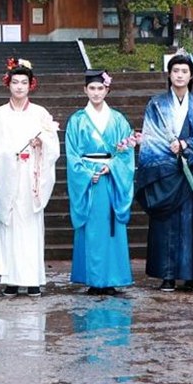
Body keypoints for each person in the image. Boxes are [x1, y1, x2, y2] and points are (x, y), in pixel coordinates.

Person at [136, 53, 193, 294]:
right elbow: (150, 139)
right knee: (167, 224)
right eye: (175, 71)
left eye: (184, 71)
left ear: (191, 75)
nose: (180, 75)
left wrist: (187, 145)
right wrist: (171, 154)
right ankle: (168, 275)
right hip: (167, 174)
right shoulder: (157, 105)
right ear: (169, 75)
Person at [0, 58, 60, 297]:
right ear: (8, 84)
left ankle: (33, 279)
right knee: (9, 226)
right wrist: (9, 155)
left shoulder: (40, 113)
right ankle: (11, 280)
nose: (19, 87)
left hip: (31, 177)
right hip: (8, 176)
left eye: (23, 82)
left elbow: (53, 145)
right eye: (15, 82)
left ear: (31, 85)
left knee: (30, 226)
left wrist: (40, 143)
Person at [65, 69, 138, 296]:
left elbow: (126, 153)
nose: (96, 93)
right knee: (92, 229)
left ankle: (112, 278)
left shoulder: (118, 119)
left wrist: (112, 166)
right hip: (90, 181)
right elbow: (72, 155)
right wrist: (88, 173)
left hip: (111, 178)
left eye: (100, 88)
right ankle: (93, 279)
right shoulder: (77, 120)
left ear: (107, 90)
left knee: (111, 228)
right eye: (92, 88)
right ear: (85, 90)